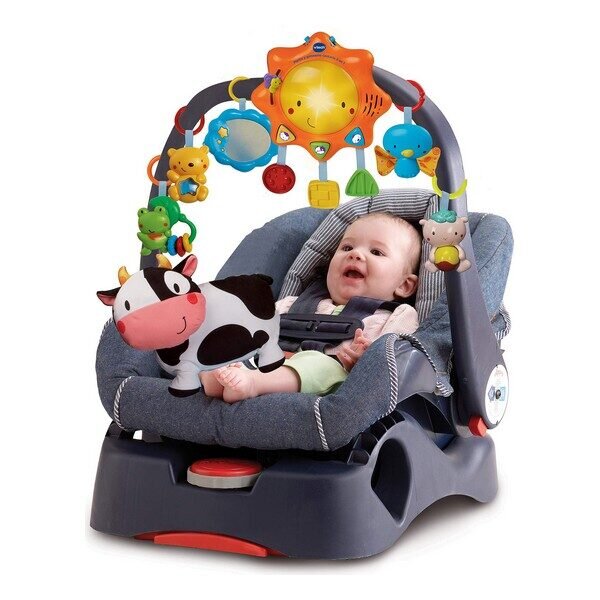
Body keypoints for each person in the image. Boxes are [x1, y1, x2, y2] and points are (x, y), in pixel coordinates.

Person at [200, 212, 422, 402]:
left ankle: (252, 384)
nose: (355, 254)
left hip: (333, 379)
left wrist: (364, 361)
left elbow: (400, 363)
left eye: (376, 252)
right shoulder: (293, 304)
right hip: (270, 362)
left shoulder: (397, 316)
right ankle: (216, 377)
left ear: (404, 285)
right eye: (347, 247)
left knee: (320, 364)